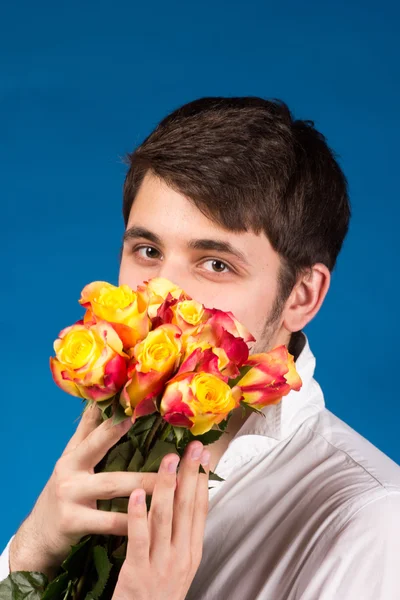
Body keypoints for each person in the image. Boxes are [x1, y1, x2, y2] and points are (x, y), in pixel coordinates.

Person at [1, 96, 399, 599]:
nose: (162, 293)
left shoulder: (374, 521)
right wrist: (30, 551)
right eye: (147, 251)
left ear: (302, 296)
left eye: (215, 264)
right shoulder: (112, 441)